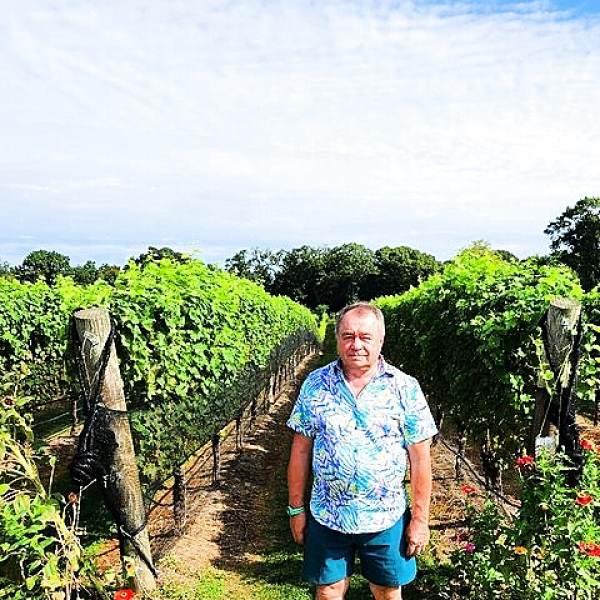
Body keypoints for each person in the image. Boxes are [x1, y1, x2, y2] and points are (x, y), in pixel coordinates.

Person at [286, 302, 438, 600]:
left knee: (387, 592)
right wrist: (295, 509)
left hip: (386, 516)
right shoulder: (315, 384)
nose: (356, 344)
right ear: (337, 339)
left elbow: (420, 459)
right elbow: (301, 451)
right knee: (328, 591)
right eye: (348, 336)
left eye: (365, 337)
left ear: (381, 339)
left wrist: (420, 520)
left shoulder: (405, 388)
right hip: (327, 513)